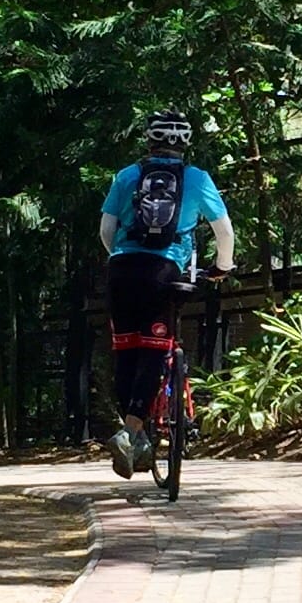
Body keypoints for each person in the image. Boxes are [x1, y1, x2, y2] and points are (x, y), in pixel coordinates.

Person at [99, 111, 232, 477]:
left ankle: (135, 435)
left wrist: (121, 256)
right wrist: (222, 267)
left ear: (149, 141)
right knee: (156, 350)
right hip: (165, 273)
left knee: (126, 350)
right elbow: (224, 232)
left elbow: (106, 229)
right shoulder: (196, 179)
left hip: (123, 270)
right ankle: (131, 432)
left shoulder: (127, 176)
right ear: (186, 143)